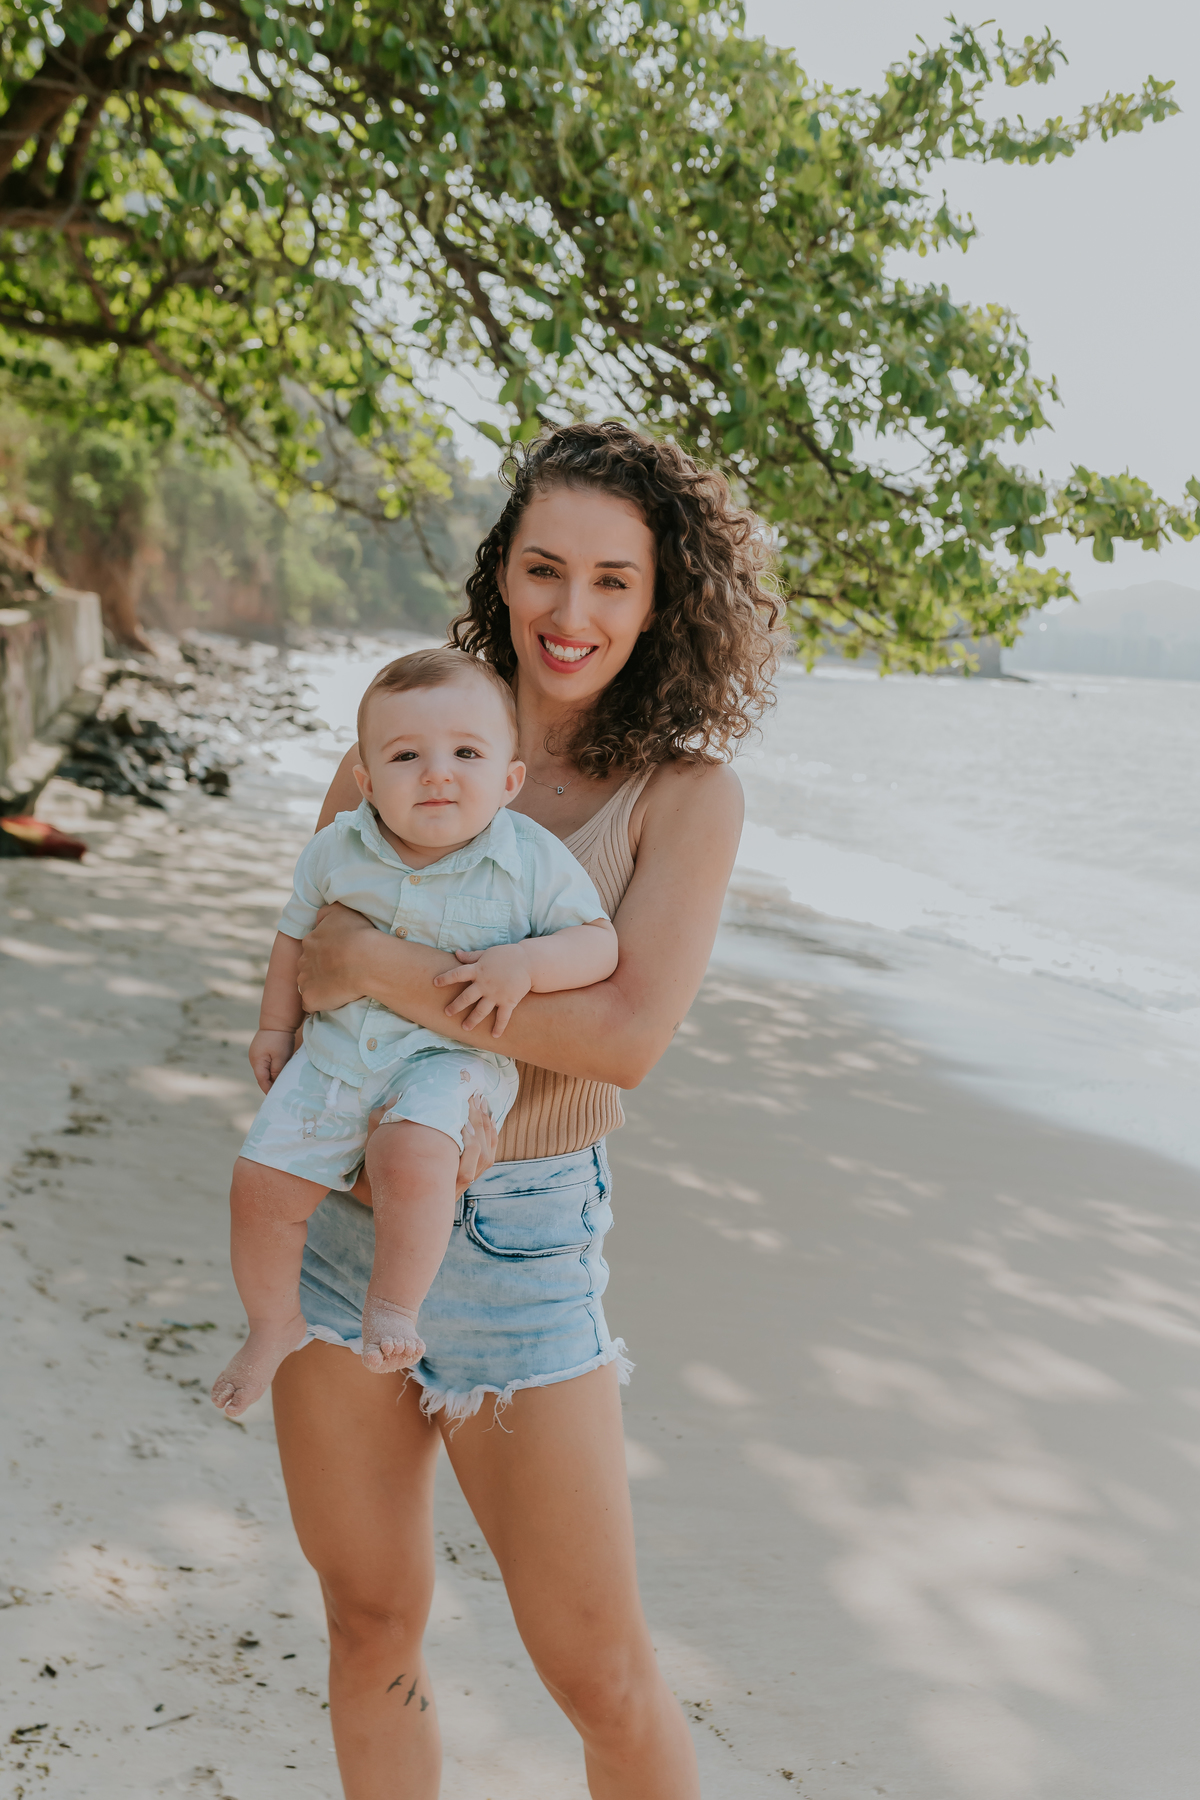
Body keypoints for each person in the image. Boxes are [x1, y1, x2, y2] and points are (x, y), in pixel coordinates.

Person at [271, 421, 780, 1798]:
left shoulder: (685, 797)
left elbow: (619, 1040)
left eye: (614, 580)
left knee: (597, 1673)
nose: (572, 612)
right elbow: (301, 954)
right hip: (344, 1216)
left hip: (525, 1249)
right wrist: (340, 995)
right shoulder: (407, 730)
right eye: (545, 569)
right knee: (370, 1623)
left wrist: (382, 966)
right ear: (503, 572)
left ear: (664, 598)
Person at [212, 648, 618, 1417]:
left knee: (413, 1153)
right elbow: (295, 938)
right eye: (407, 756)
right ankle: (273, 1323)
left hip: (449, 1060)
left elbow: (598, 943)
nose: (437, 773)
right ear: (366, 781)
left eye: (466, 754)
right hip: (335, 1053)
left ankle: (393, 1306)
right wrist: (275, 1025)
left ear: (508, 780)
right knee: (258, 1186)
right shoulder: (339, 847)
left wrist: (527, 963)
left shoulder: (531, 860)